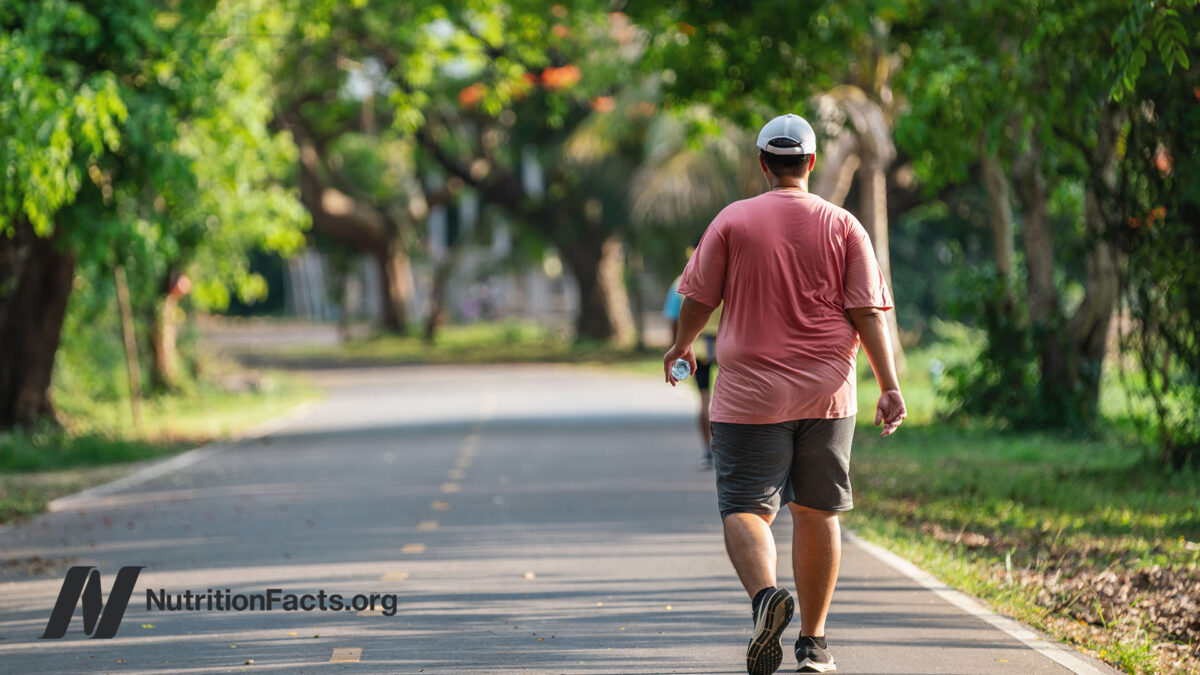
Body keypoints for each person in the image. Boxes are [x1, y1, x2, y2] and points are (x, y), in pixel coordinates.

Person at [663, 113, 906, 674]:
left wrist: (682, 346)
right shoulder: (843, 224)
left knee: (746, 507)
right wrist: (889, 385)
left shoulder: (732, 220)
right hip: (827, 392)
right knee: (818, 510)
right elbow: (868, 312)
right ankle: (814, 645)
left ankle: (766, 597)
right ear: (812, 163)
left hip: (750, 393)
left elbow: (698, 298)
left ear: (763, 163)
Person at [662, 248, 722, 470]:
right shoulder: (727, 276)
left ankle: (708, 451)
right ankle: (725, 450)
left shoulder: (681, 281)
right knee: (725, 399)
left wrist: (676, 347)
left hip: (696, 347)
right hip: (726, 345)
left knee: (704, 399)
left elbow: (672, 318)